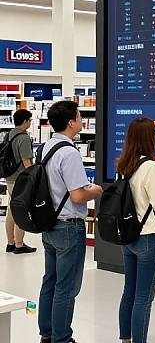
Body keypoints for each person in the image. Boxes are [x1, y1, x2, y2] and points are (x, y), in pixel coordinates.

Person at [38, 100, 103, 343]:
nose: (80, 119)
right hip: (69, 225)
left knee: (50, 281)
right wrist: (94, 191)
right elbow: (77, 195)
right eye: (78, 116)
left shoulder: (46, 147)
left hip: (49, 223)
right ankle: (62, 338)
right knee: (66, 287)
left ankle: (47, 333)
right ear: (71, 122)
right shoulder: (69, 152)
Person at [117, 117, 155, 343]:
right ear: (148, 138)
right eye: (154, 133)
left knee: (129, 291)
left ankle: (125, 338)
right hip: (150, 237)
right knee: (144, 297)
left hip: (129, 236)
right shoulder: (150, 166)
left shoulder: (123, 165)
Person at [5, 109, 36, 254]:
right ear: (25, 121)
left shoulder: (9, 134)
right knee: (20, 211)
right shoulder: (23, 138)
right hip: (21, 179)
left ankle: (10, 242)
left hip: (9, 177)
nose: (30, 123)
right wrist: (34, 178)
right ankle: (19, 244)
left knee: (11, 210)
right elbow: (27, 161)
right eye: (30, 120)